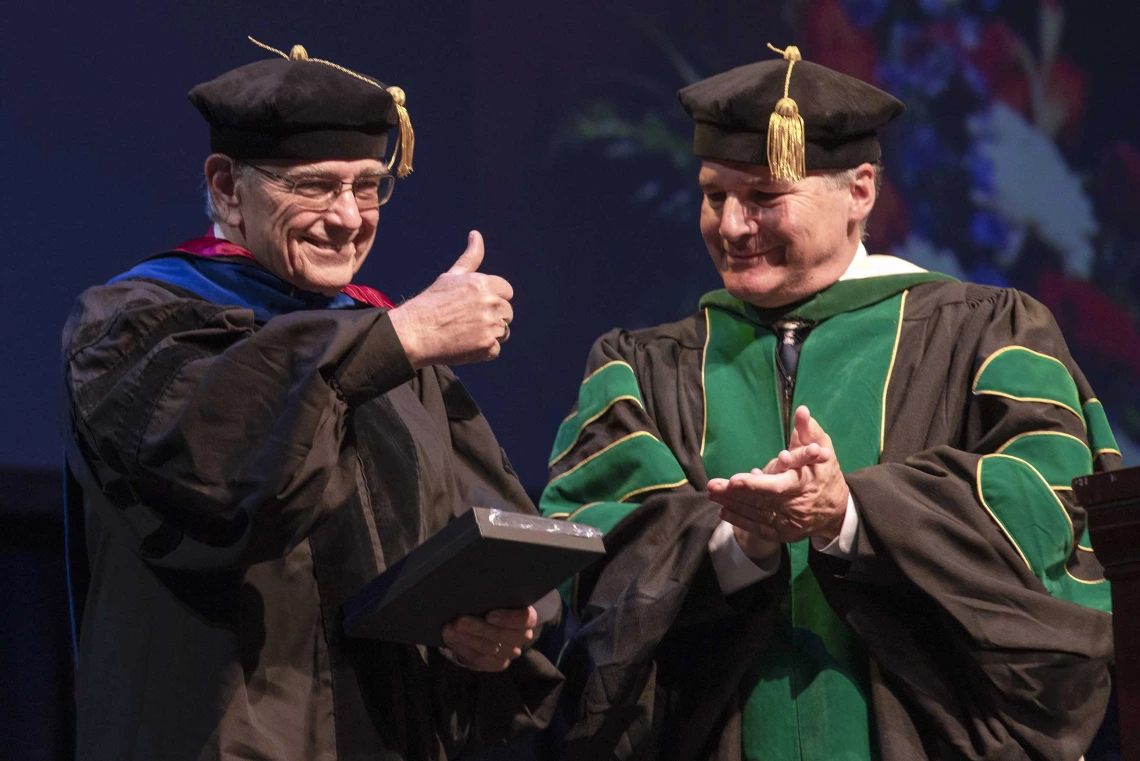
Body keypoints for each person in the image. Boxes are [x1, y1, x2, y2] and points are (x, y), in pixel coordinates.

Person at [539, 44, 1117, 761]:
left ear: (862, 192)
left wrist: (851, 515)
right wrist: (734, 544)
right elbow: (588, 550)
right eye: (715, 194)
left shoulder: (987, 334)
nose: (732, 225)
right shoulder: (639, 367)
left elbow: (1048, 509)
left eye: (764, 197)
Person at [61, 40, 562, 761]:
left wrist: (508, 620)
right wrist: (403, 334)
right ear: (228, 187)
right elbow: (222, 473)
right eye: (315, 185)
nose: (349, 217)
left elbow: (496, 525)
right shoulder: (135, 327)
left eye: (367, 185)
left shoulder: (385, 341)